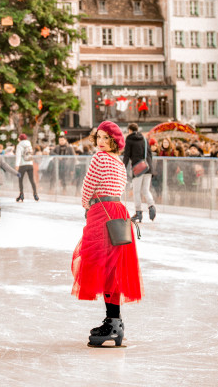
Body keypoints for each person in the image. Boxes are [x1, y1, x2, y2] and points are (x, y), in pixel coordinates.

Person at [71, 121, 143, 347]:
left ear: (114, 140)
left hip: (101, 212)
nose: (100, 142)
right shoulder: (119, 162)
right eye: (98, 137)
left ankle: (113, 323)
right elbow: (120, 188)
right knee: (113, 268)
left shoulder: (100, 158)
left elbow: (87, 187)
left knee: (95, 263)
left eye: (105, 138)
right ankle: (114, 321)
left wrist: (86, 205)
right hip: (118, 213)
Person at [122, 123, 156, 223]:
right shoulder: (144, 139)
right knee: (146, 190)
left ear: (129, 130)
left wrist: (123, 167)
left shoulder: (129, 139)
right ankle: (151, 205)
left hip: (138, 169)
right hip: (147, 167)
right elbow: (149, 154)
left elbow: (127, 155)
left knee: (136, 191)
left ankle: (138, 212)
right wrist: (150, 167)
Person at [15, 133, 39, 202]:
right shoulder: (29, 145)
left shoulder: (19, 145)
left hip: (22, 165)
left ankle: (21, 194)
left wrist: (17, 165)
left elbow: (18, 156)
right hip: (30, 164)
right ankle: (35, 194)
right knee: (32, 180)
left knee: (20, 180)